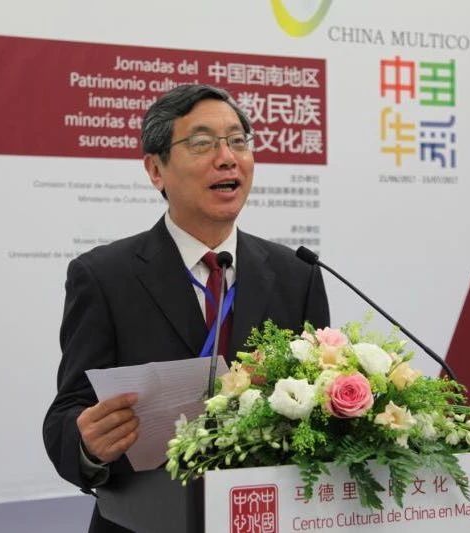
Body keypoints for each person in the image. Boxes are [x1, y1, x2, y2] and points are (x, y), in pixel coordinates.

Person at [43, 84, 330, 533]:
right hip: (145, 522)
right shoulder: (104, 276)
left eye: (238, 141)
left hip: (264, 516)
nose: (227, 158)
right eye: (202, 143)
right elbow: (68, 411)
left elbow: (318, 401)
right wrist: (88, 443)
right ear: (155, 169)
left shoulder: (297, 274)